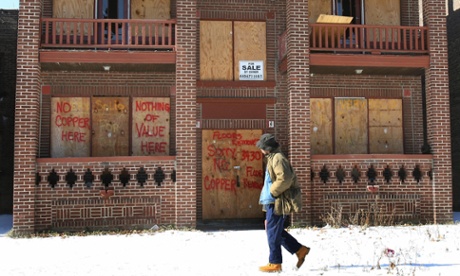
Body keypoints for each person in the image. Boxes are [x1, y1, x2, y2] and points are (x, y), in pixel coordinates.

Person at [256, 133, 310, 273]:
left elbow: (285, 179)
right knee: (274, 230)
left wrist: (273, 192)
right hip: (272, 200)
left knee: (273, 232)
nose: (260, 150)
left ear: (266, 148)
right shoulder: (272, 158)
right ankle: (299, 250)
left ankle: (275, 263)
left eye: (261, 147)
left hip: (277, 200)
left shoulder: (278, 158)